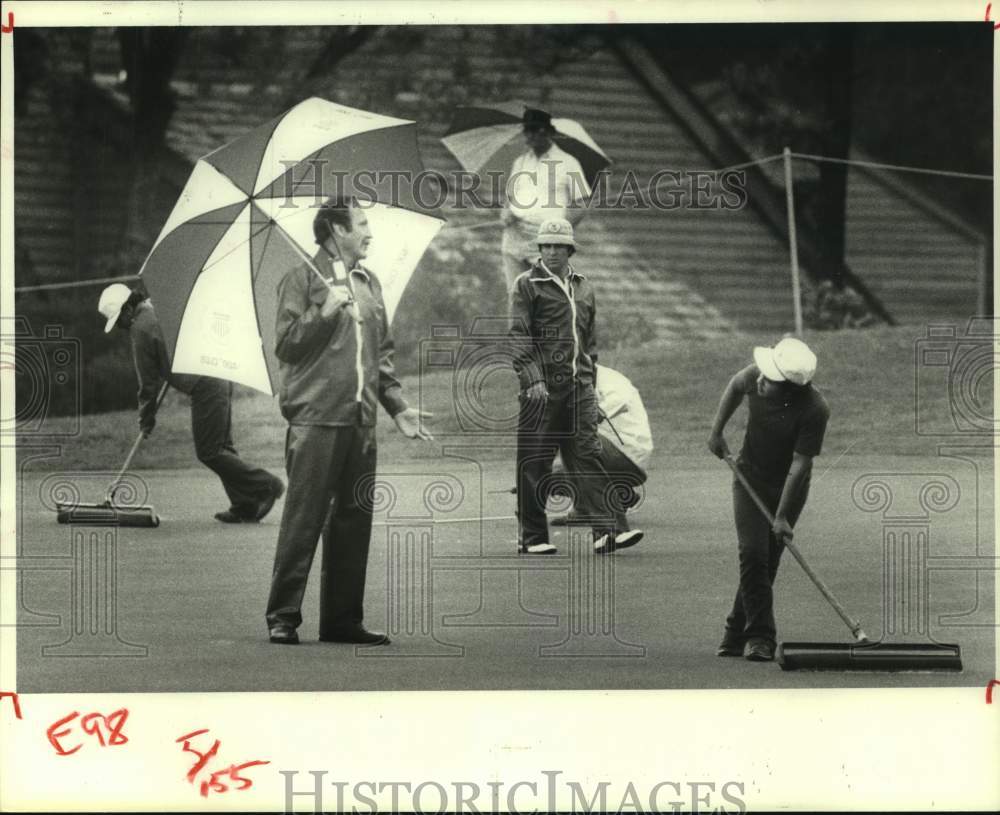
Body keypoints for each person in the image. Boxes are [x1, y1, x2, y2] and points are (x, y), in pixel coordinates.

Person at [265, 197, 433, 646]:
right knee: (305, 518)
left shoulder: (368, 282)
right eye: (361, 224)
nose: (369, 232)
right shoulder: (300, 279)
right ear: (336, 230)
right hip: (316, 418)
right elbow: (286, 345)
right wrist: (324, 313)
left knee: (354, 519)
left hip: (361, 419)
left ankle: (342, 620)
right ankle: (283, 615)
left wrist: (397, 406)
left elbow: (383, 353)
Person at [509, 217, 643, 556]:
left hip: (579, 386)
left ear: (570, 249)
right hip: (541, 388)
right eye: (546, 246)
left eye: (559, 246)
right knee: (535, 462)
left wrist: (591, 387)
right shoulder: (526, 284)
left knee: (588, 453)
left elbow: (589, 343)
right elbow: (519, 336)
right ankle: (532, 537)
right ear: (539, 249)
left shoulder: (584, 286)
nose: (552, 252)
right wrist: (532, 377)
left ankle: (608, 531)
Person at [97, 284, 284, 523]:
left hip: (205, 384)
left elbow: (147, 383)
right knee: (222, 447)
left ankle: (266, 484)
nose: (121, 328)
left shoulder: (141, 328)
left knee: (209, 451)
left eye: (119, 322)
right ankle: (245, 503)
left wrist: (146, 419)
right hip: (218, 374)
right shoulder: (158, 307)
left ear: (126, 310)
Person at [707, 336, 830, 662]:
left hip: (789, 489)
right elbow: (735, 387)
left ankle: (735, 632)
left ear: (791, 390)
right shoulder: (757, 376)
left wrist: (782, 516)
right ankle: (761, 637)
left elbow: (800, 463)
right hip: (749, 479)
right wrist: (717, 431)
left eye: (770, 380)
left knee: (765, 563)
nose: (760, 380)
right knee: (752, 552)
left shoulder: (815, 409)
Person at [500, 107, 590, 293]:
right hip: (514, 238)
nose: (531, 135)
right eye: (527, 130)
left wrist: (560, 230)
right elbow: (509, 197)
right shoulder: (520, 162)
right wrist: (505, 213)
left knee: (547, 298)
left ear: (548, 132)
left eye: (536, 130)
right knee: (517, 298)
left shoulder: (568, 162)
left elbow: (582, 203)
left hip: (546, 242)